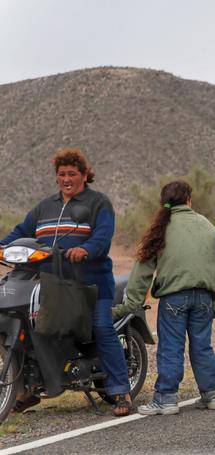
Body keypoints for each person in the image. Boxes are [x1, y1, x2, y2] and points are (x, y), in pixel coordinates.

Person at [0, 148, 132, 416]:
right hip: (49, 284)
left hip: (90, 286)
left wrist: (86, 249)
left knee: (102, 327)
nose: (66, 179)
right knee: (31, 325)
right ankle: (28, 389)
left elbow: (103, 236)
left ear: (85, 176)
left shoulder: (98, 203)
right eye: (61, 174)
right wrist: (2, 246)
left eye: (72, 173)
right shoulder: (45, 206)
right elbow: (20, 232)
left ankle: (121, 391)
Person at [112, 181, 215, 415]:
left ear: (164, 203)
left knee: (171, 348)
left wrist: (130, 304)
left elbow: (142, 271)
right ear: (189, 200)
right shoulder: (208, 226)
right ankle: (212, 395)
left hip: (174, 299)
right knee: (202, 347)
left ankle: (166, 399)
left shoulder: (160, 229)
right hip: (204, 298)